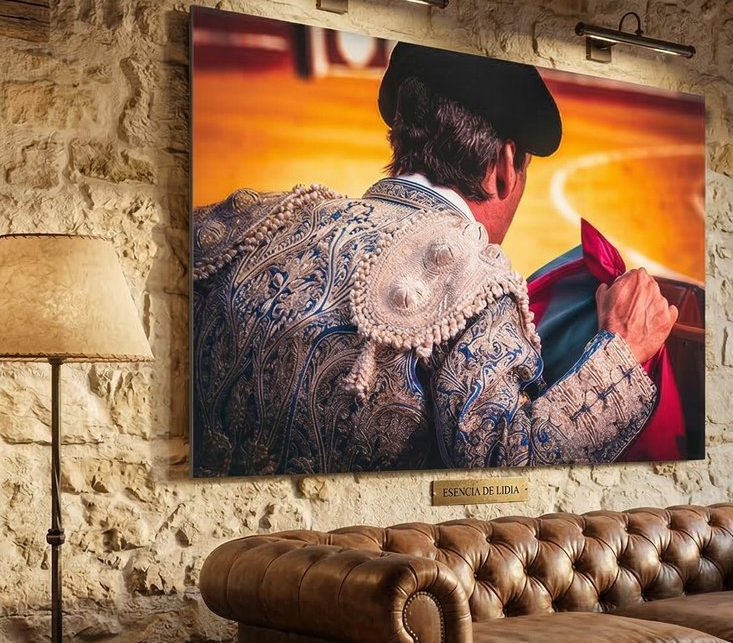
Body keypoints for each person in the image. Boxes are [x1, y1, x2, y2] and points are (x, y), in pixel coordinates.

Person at [191, 42, 676, 476]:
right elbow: (511, 466)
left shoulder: (261, 223)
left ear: (402, 142)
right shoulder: (474, 290)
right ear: (505, 166)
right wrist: (620, 351)